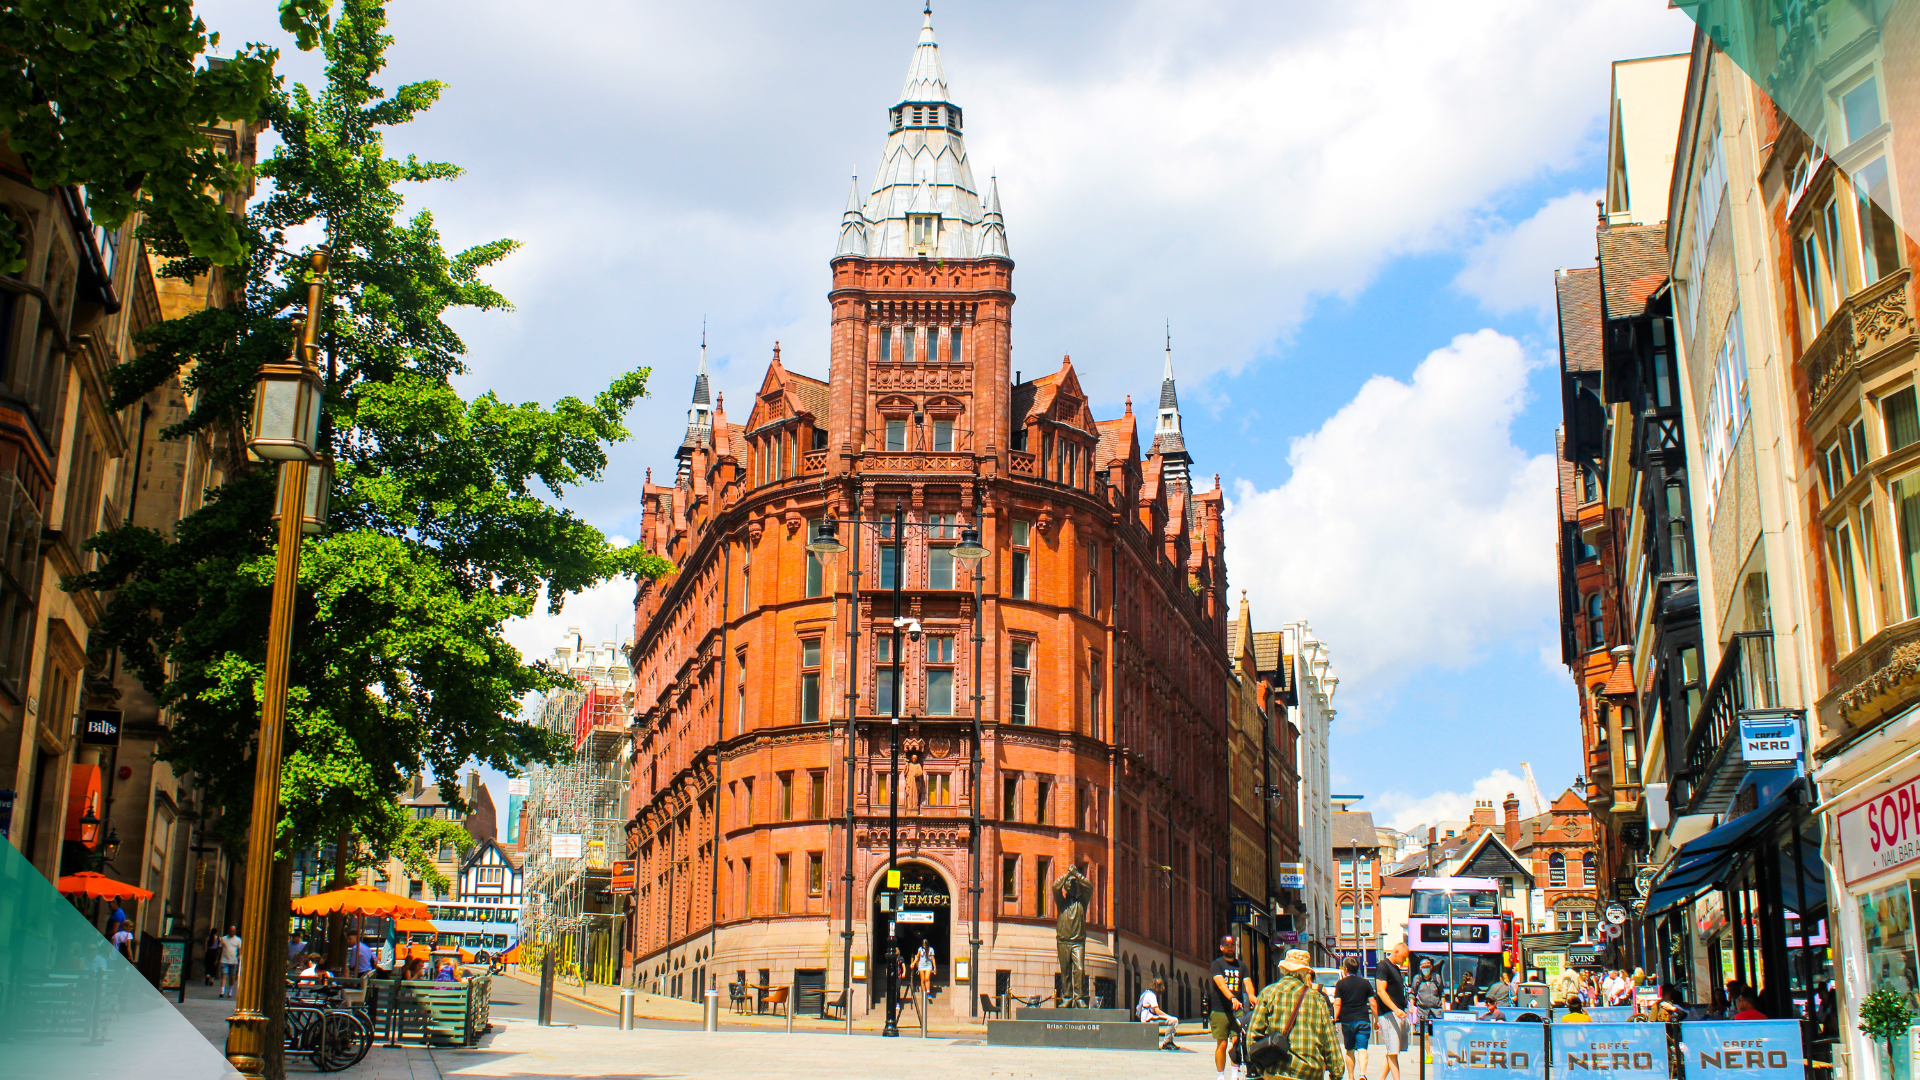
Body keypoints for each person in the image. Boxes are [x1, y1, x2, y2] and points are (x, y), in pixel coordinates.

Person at [1247, 949, 1343, 1080]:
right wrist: (1336, 1073)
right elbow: (1329, 1040)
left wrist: (1261, 1069)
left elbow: (1252, 1035)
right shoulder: (1316, 999)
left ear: (1284, 969)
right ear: (1306, 972)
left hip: (1276, 1070)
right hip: (1309, 1072)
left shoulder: (1268, 993)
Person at [1210, 935, 1257, 1080]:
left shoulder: (1241, 965)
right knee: (1222, 1043)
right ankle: (1220, 1076)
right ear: (1222, 948)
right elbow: (1221, 984)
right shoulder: (1217, 964)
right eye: (1227, 946)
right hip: (1220, 1009)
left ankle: (1234, 1075)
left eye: (1232, 946)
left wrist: (1251, 995)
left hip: (1237, 1010)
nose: (1230, 948)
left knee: (1237, 1042)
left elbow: (1247, 983)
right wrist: (1232, 998)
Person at [1332, 955, 1376, 1080]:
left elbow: (1337, 1004)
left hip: (1347, 1020)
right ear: (1357, 969)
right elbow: (1373, 1003)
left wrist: (1335, 1019)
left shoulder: (1340, 984)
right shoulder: (1365, 983)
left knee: (1349, 1050)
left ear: (1346, 969)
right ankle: (1362, 1074)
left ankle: (1351, 1077)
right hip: (1363, 1019)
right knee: (1362, 1049)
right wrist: (1377, 1019)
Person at [1374, 942, 1411, 1080]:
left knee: (1392, 1052)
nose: (1405, 960)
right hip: (1390, 1013)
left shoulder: (1395, 968)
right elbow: (1380, 991)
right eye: (1403, 957)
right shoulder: (1383, 966)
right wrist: (1395, 1009)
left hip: (1397, 1012)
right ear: (1396, 952)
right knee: (1393, 1052)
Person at [1137, 976, 1180, 1050]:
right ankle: (1167, 1042)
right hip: (1149, 1019)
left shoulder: (1146, 993)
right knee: (1174, 1020)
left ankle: (1169, 1041)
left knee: (1172, 1019)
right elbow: (1157, 1011)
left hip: (1145, 1018)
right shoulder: (1151, 995)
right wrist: (1168, 1016)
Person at [219, 925, 242, 999]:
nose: (232, 932)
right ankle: (222, 991)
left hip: (233, 961)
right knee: (224, 975)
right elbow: (220, 949)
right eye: (231, 931)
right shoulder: (223, 939)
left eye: (234, 931)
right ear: (228, 931)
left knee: (232, 977)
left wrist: (239, 957)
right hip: (224, 960)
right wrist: (218, 959)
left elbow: (239, 950)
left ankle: (230, 991)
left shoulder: (238, 940)